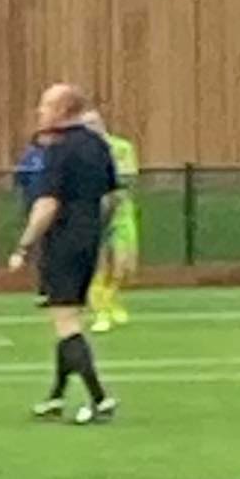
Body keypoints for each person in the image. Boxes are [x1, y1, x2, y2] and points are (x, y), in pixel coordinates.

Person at [9, 84, 118, 424]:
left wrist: (24, 245)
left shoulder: (59, 150)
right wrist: (95, 230)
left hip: (63, 241)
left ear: (62, 110)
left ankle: (99, 398)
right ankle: (56, 396)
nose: (40, 111)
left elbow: (47, 204)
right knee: (68, 316)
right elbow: (111, 197)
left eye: (45, 105)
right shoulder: (98, 144)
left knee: (66, 322)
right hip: (90, 237)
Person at [86, 106, 141, 335]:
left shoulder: (121, 148)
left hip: (121, 213)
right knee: (97, 266)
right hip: (91, 213)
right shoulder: (81, 153)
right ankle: (101, 312)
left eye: (93, 124)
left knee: (123, 266)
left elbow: (127, 179)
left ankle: (112, 298)